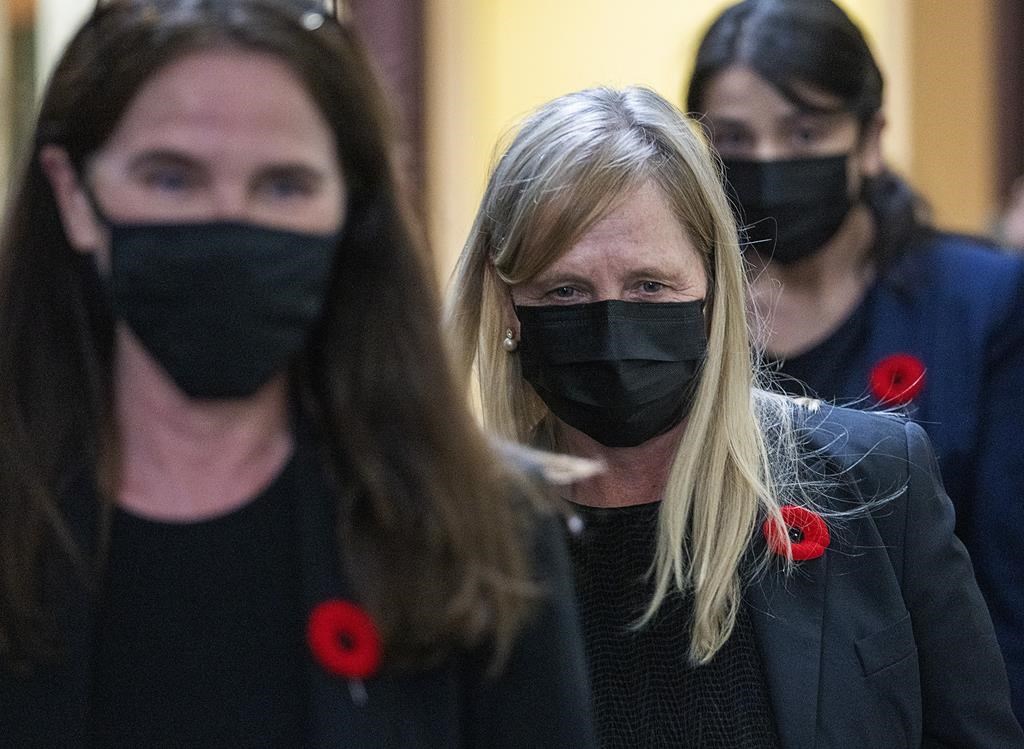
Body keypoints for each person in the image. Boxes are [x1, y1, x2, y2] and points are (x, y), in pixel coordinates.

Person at [0, 1, 597, 746]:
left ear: (348, 206)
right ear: (72, 195)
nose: (229, 220)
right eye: (171, 178)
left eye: (284, 186)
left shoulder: (485, 532)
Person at [447, 84, 1024, 747]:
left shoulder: (875, 483)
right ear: (510, 307)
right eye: (566, 290)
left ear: (714, 285)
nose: (612, 324)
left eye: (649, 285)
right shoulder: (452, 540)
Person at [685, 0, 1024, 723]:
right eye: (737, 138)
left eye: (805, 132)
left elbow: (1010, 581)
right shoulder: (679, 314)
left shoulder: (984, 304)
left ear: (870, 138)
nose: (770, 162)